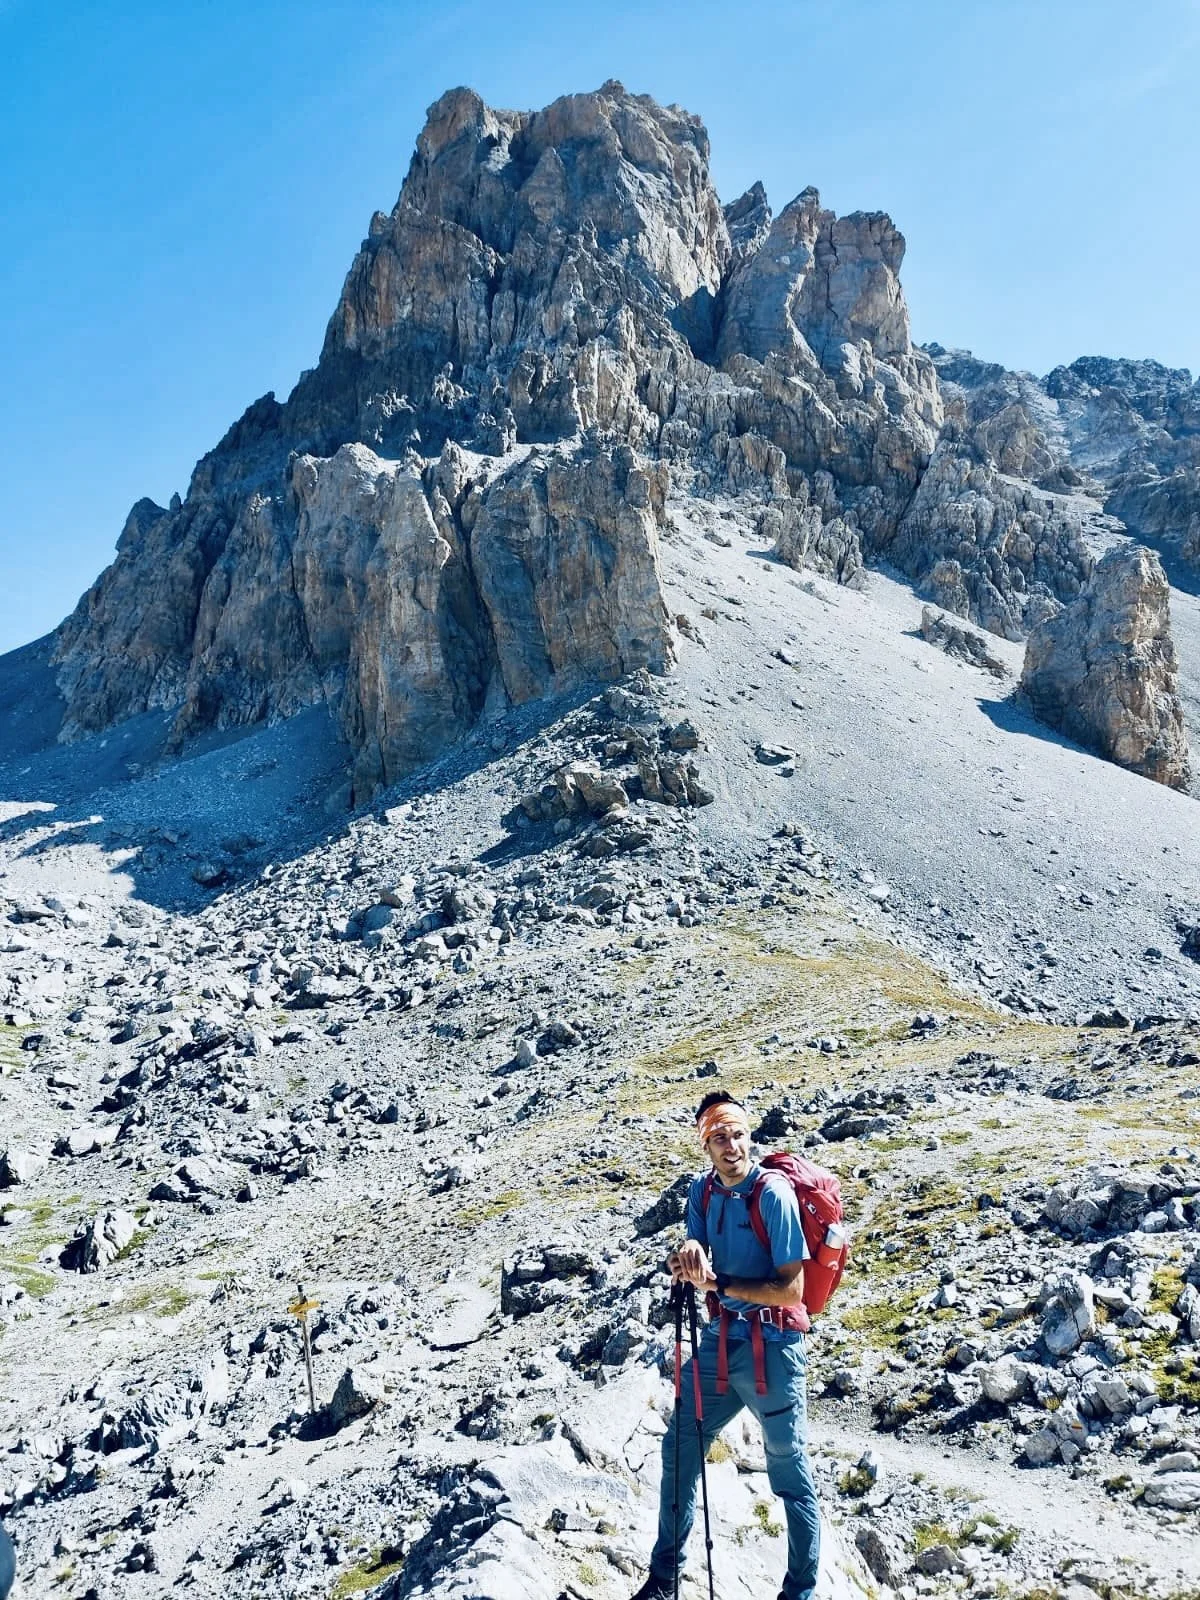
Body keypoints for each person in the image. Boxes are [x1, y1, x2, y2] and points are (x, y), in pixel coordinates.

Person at [631, 1090, 820, 1600]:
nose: (731, 1145)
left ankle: (798, 1592)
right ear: (706, 1145)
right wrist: (688, 1253)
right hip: (720, 1341)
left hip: (775, 1344)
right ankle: (665, 1578)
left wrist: (719, 1286)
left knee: (790, 1471)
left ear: (749, 1135)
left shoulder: (773, 1195)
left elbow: (792, 1288)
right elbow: (694, 1252)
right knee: (679, 1448)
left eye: (737, 1134)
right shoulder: (703, 1192)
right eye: (719, 1138)